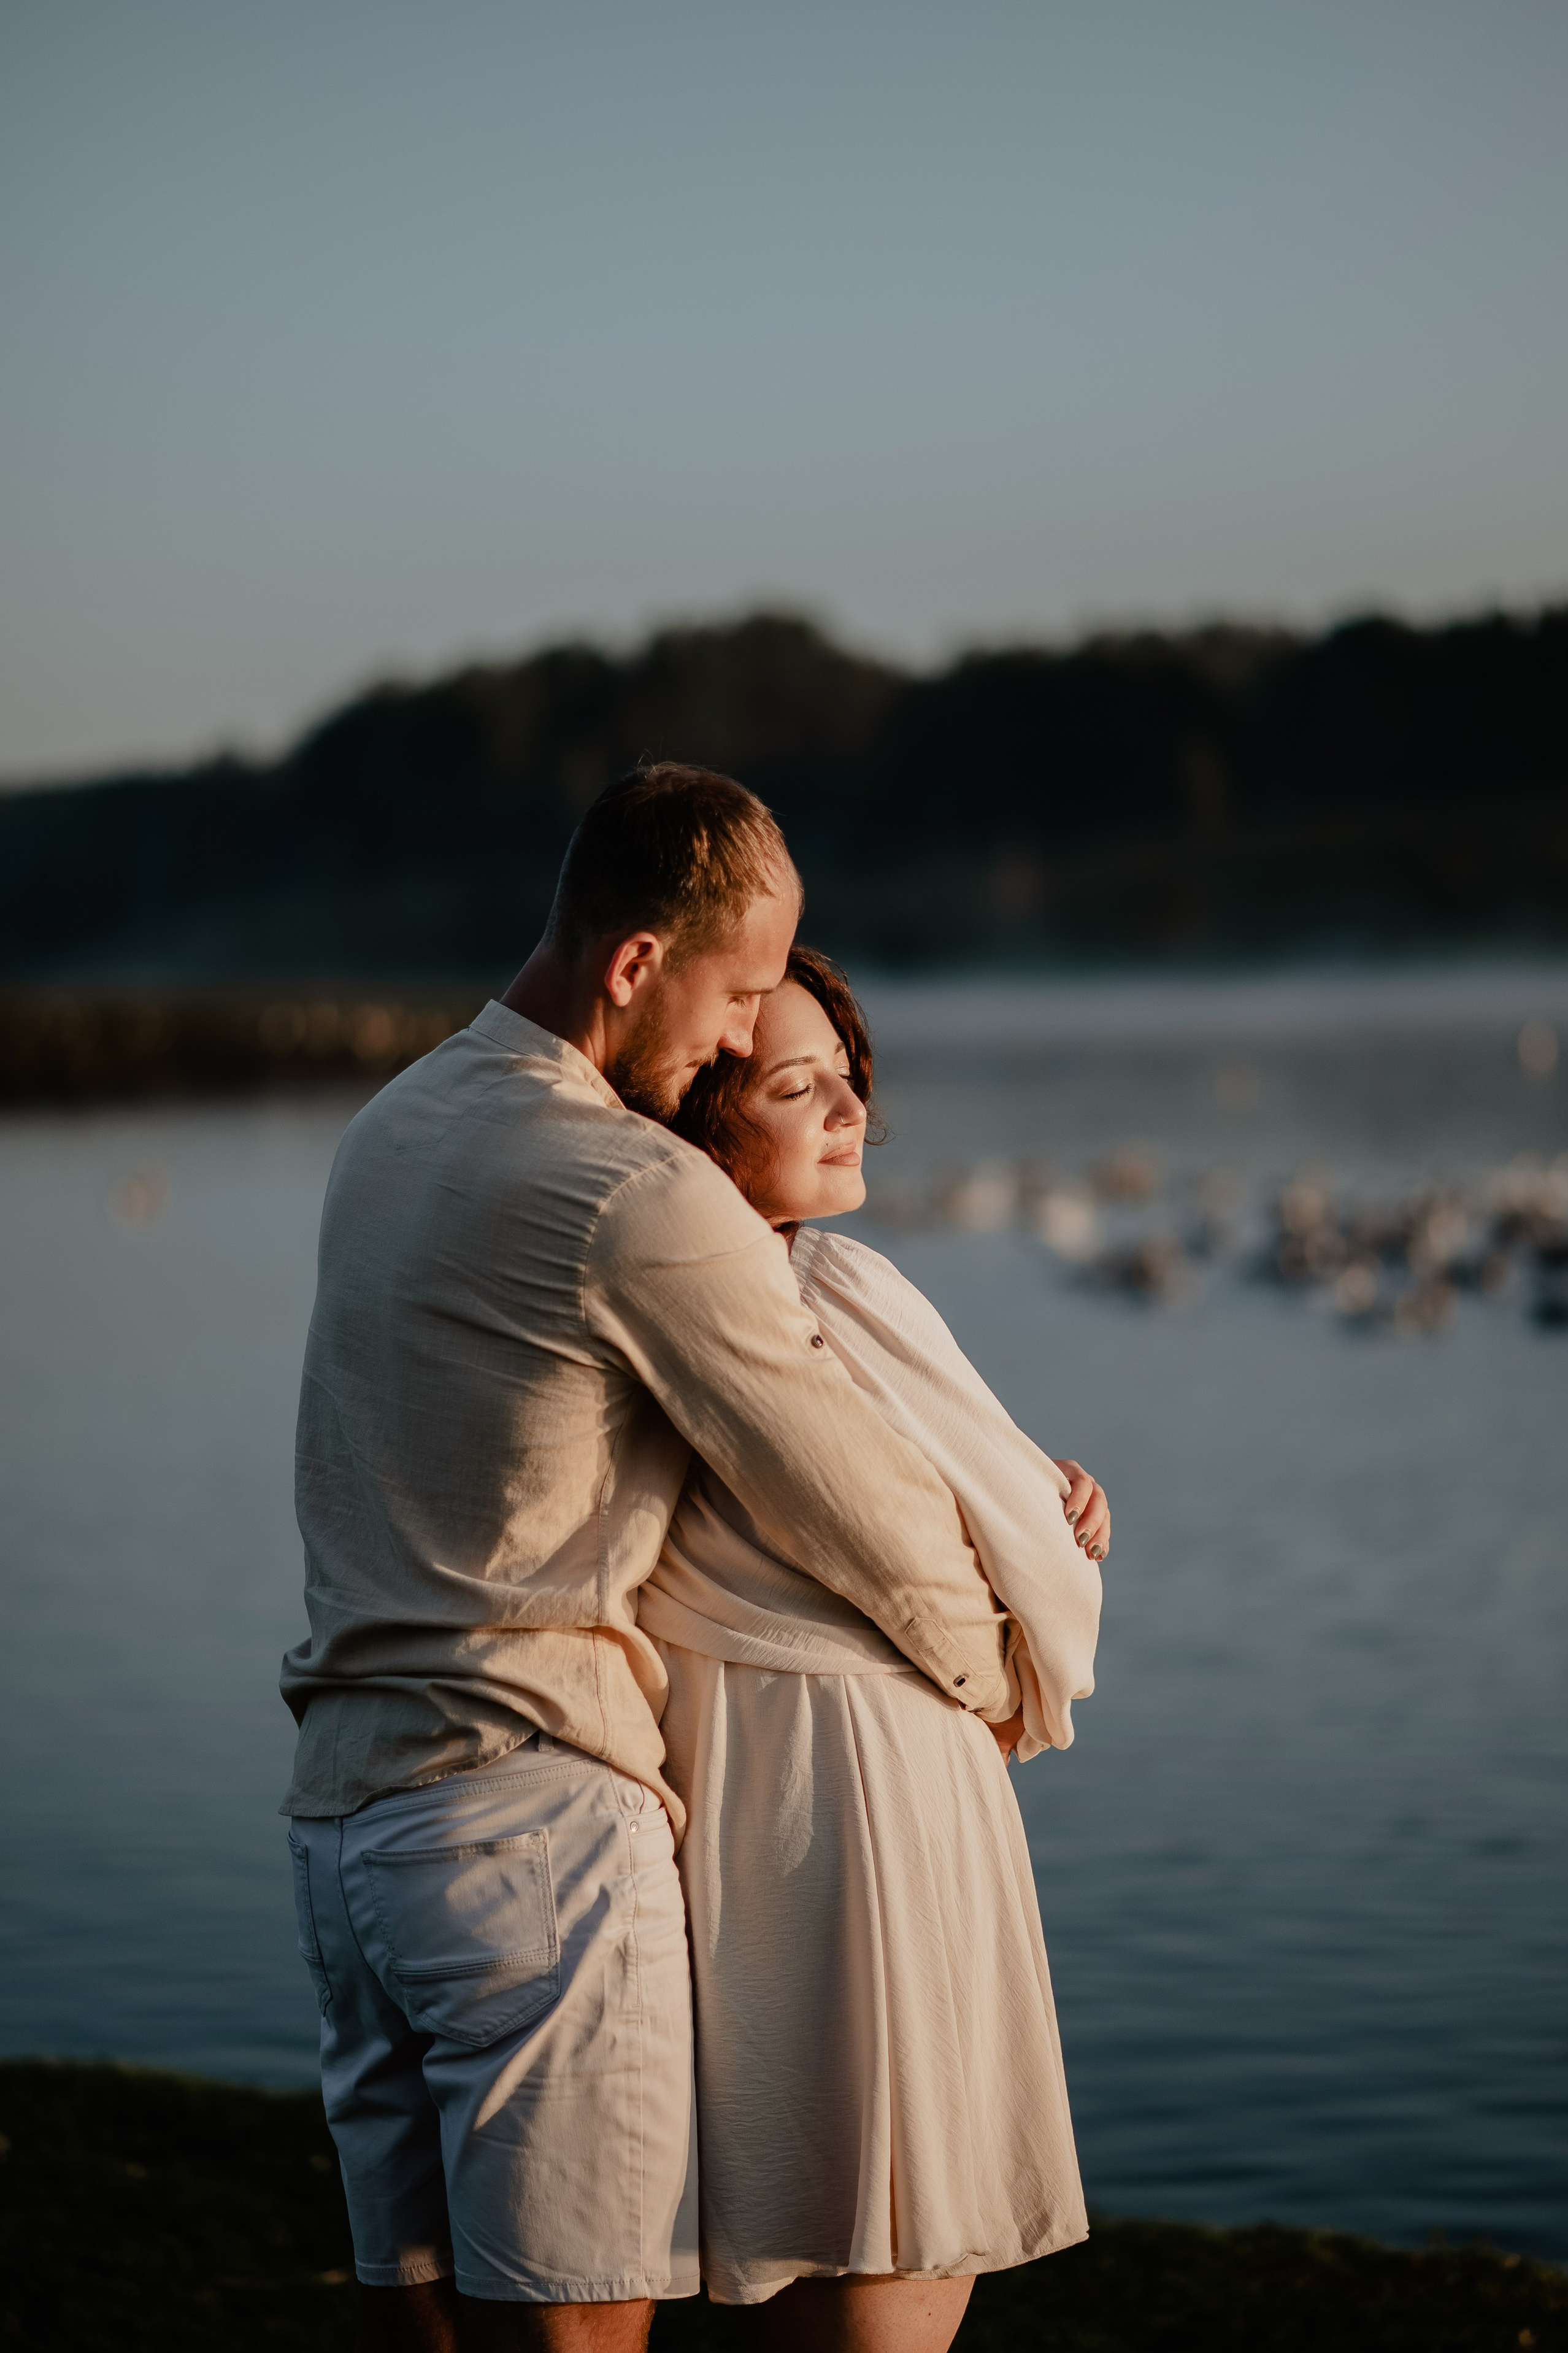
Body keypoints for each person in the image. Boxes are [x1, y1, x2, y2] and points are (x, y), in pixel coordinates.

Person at [280, 766, 1018, 2353]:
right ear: (634, 967)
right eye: (745, 990)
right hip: (527, 1835)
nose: (750, 1035)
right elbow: (866, 1504)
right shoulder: (635, 1189)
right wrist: (1001, 1671)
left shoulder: (387, 1126)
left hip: (345, 1837)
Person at [644, 947, 1107, 2352]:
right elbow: (893, 1544)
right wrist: (1015, 1551)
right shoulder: (701, 1298)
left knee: (915, 2250)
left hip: (913, 1798)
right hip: (807, 1805)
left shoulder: (846, 1280)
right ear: (703, 1116)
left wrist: (1054, 1496)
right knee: (844, 2261)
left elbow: (977, 1494)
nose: (847, 1109)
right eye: (797, 1085)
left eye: (850, 1077)